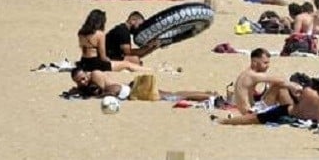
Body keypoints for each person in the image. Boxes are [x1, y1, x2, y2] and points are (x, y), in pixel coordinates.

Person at [214, 48, 304, 125]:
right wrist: (293, 86)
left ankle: (293, 110)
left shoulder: (249, 74)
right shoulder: (250, 75)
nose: (267, 66)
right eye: (265, 63)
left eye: (268, 63)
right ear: (254, 62)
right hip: (251, 112)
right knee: (279, 86)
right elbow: (278, 80)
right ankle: (294, 112)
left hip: (254, 108)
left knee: (278, 86)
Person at [68, 68, 215, 101]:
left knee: (174, 97)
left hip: (132, 91)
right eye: (79, 81)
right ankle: (207, 94)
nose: (83, 82)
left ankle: (208, 97)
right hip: (132, 88)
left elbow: (103, 93)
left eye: (82, 78)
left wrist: (83, 93)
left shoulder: (95, 75)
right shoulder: (89, 81)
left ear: (86, 74)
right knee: (172, 94)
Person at [77, 9, 149, 72]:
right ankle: (149, 70)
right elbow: (103, 57)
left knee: (130, 62)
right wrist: (110, 61)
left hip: (84, 62)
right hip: (96, 64)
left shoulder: (81, 33)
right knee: (127, 64)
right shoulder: (100, 34)